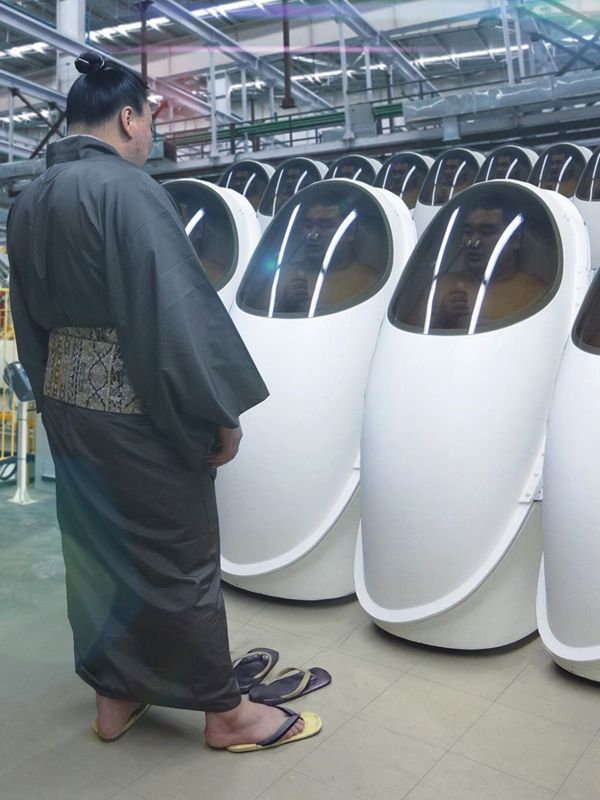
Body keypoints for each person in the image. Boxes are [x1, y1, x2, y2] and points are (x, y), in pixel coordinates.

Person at [7, 51, 321, 752]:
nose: (151, 134)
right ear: (128, 118)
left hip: (71, 407)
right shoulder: (128, 190)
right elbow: (173, 312)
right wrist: (217, 411)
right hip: (138, 409)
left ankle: (114, 696)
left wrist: (58, 400)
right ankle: (225, 714)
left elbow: (30, 321)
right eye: (151, 119)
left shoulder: (29, 201)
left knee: (97, 553)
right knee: (176, 555)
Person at [416, 199, 547, 330]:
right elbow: (407, 337)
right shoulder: (440, 287)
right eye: (468, 232)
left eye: (486, 232)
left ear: (515, 239)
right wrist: (440, 320)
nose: (473, 242)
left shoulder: (536, 294)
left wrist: (486, 328)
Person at [272, 193, 379, 313]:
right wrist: (282, 306)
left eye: (325, 225)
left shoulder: (370, 281)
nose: (313, 235)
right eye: (308, 225)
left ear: (350, 232)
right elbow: (259, 320)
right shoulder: (283, 274)